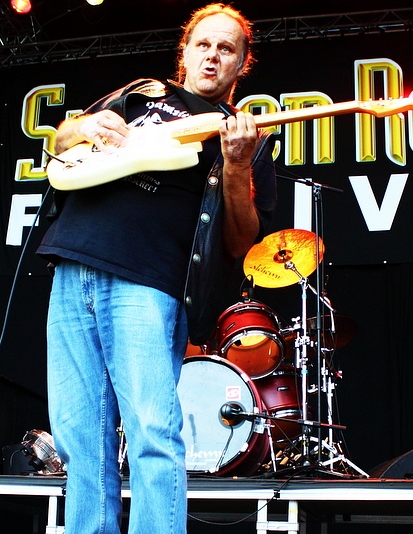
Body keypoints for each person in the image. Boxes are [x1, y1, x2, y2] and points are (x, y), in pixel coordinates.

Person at [37, 4, 276, 534]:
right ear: (185, 52)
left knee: (151, 431)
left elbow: (241, 241)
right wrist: (82, 127)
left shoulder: (242, 135)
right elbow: (59, 144)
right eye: (203, 44)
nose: (213, 55)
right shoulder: (140, 95)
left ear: (241, 66)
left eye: (227, 48)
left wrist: (237, 165)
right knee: (78, 436)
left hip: (148, 281)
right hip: (73, 264)